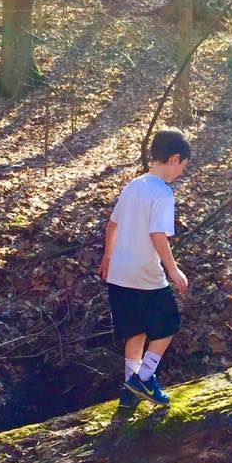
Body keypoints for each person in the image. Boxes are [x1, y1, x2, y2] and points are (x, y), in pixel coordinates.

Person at [98, 128, 191, 407]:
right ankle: (145, 377)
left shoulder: (133, 186)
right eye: (183, 166)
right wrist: (173, 270)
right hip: (144, 272)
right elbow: (157, 234)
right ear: (174, 159)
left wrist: (107, 258)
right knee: (169, 322)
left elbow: (112, 225)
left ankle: (129, 391)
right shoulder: (162, 192)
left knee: (135, 330)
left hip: (119, 272)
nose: (181, 173)